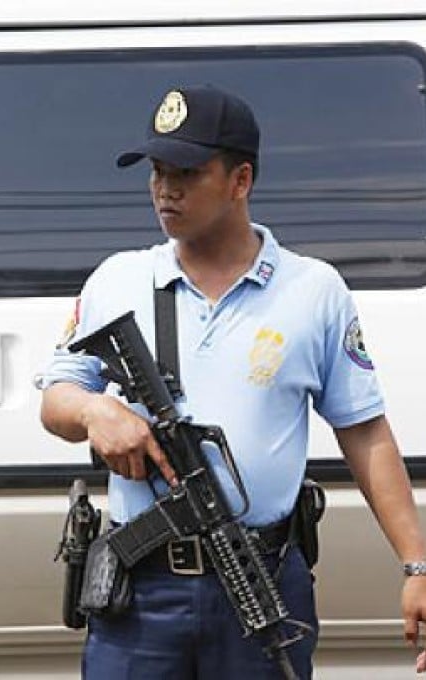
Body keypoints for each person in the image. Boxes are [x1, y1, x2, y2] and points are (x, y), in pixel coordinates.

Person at [39, 85, 426, 679]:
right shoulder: (120, 279)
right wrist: (96, 413)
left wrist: (416, 566)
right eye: (158, 172)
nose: (166, 189)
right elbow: (57, 397)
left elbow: (365, 432)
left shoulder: (311, 290)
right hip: (140, 595)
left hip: (261, 577)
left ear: (241, 180)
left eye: (187, 173)